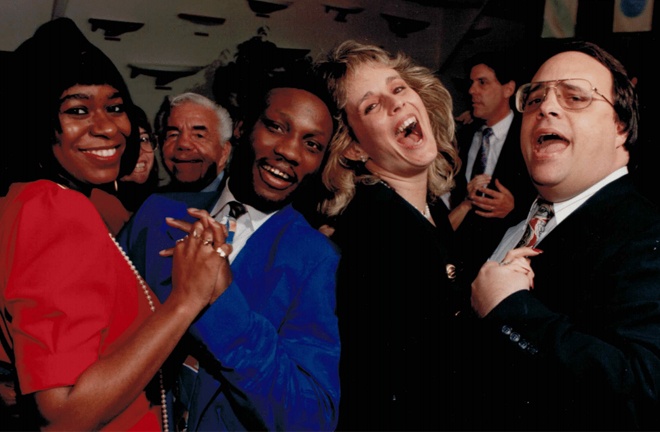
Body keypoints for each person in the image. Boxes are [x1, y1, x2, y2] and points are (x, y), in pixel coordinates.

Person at [0, 18, 230, 431]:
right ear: (35, 119)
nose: (108, 128)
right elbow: (65, 412)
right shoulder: (54, 207)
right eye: (77, 110)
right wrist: (185, 300)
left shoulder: (33, 198)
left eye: (115, 106)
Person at [117, 68, 340, 431]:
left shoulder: (315, 259)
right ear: (241, 128)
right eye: (277, 127)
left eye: (312, 144)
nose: (289, 151)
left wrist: (223, 302)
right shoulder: (158, 213)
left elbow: (310, 418)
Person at [468, 40, 660, 430]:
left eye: (575, 96)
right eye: (535, 99)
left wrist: (512, 310)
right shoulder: (523, 225)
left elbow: (642, 395)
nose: (547, 108)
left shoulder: (645, 234)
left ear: (620, 126)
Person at [315, 40, 465, 430]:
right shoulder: (374, 234)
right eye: (370, 106)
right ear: (352, 148)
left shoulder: (432, 208)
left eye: (397, 88)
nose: (396, 103)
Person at [449, 51, 537, 281]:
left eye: (482, 82)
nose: (471, 91)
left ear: (508, 89)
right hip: (461, 259)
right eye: (471, 83)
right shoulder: (466, 135)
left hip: (503, 262)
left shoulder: (529, 136)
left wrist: (514, 210)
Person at [90, 105, 162, 235]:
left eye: (143, 139)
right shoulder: (101, 205)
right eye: (126, 143)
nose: (138, 152)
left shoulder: (162, 200)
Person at [158, 92, 233, 192]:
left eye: (199, 135)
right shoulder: (154, 202)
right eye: (173, 135)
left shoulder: (243, 202)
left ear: (224, 152)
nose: (183, 144)